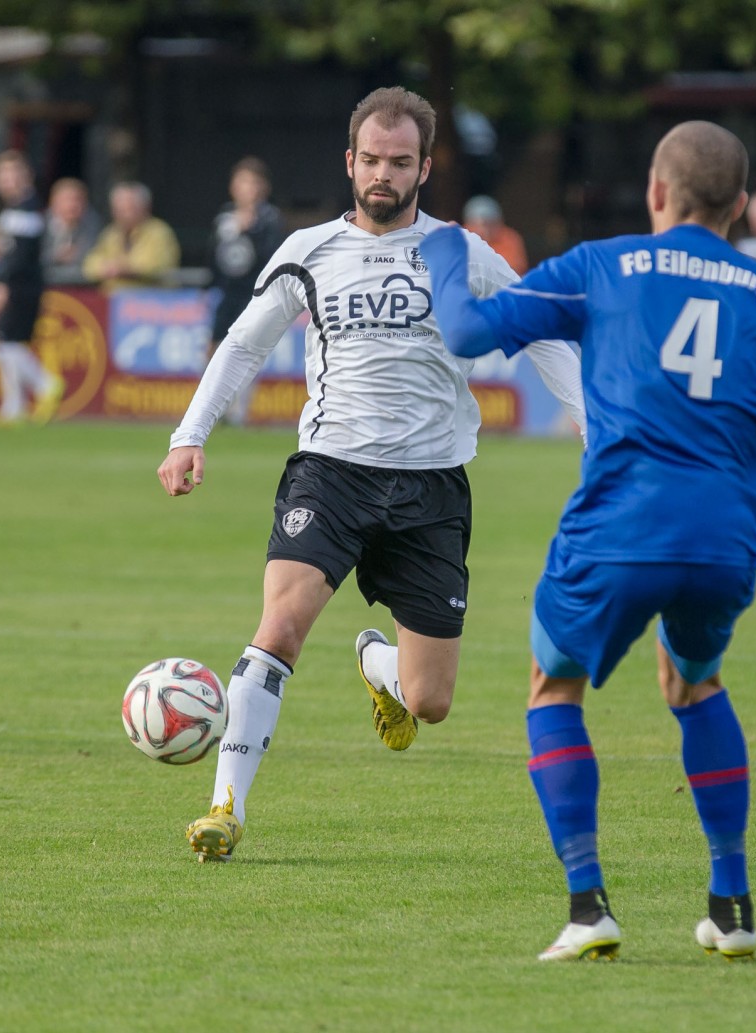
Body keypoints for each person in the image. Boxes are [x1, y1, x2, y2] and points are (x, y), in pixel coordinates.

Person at [422, 120, 756, 962]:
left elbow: (466, 332)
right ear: (741, 206)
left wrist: (449, 250)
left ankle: (588, 903)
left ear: (655, 192)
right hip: (731, 539)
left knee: (552, 687)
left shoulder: (602, 266)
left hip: (621, 526)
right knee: (694, 680)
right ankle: (732, 906)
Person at [156, 86, 585, 864]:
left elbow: (539, 329)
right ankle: (225, 805)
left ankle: (376, 662)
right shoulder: (309, 250)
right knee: (280, 624)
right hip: (332, 471)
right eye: (371, 160)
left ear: (425, 166)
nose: (383, 174)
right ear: (349, 161)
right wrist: (191, 435)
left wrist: (595, 421)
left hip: (431, 484)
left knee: (431, 700)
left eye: (400, 161)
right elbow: (244, 344)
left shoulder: (459, 249)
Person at [0, 150, 62, 426]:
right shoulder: (15, 208)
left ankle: (45, 384)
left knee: (5, 342)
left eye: (13, 174)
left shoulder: (26, 208)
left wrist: (3, 283)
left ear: (26, 176)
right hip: (23, 284)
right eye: (3, 175)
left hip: (22, 286)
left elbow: (19, 256)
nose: (7, 181)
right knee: (7, 344)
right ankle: (14, 408)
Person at [207, 157, 284, 425]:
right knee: (215, 348)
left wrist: (250, 230)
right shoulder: (224, 217)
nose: (247, 189)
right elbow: (215, 256)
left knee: (248, 349)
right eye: (242, 182)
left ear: (263, 188)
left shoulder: (269, 220)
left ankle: (240, 411)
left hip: (254, 296)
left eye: (253, 183)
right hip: (227, 294)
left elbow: (271, 256)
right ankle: (215, 410)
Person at [82, 181, 180, 290]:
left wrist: (126, 269)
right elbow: (90, 263)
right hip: (114, 300)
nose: (125, 214)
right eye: (120, 209)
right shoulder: (110, 233)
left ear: (145, 207)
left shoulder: (159, 232)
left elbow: (156, 265)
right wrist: (105, 267)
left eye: (130, 208)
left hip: (152, 300)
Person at [41, 177, 101, 282]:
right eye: (67, 199)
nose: (72, 205)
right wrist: (56, 257)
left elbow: (94, 265)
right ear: (53, 202)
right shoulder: (39, 226)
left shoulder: (94, 226)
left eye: (78, 199)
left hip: (82, 287)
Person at [463, 195, 528, 275]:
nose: (484, 229)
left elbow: (515, 269)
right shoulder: (461, 237)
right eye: (478, 224)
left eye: (490, 224)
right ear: (468, 224)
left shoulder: (509, 238)